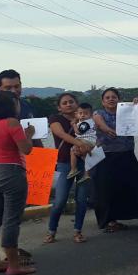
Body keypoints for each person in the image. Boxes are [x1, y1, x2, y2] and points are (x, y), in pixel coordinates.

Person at [0, 90, 36, 275]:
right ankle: (13, 265)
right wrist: (29, 134)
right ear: (12, 105)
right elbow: (26, 149)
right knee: (11, 219)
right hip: (11, 172)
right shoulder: (12, 123)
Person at [92, 88, 138, 232]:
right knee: (106, 189)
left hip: (126, 154)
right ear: (102, 101)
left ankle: (137, 213)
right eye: (107, 97)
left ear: (119, 99)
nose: (111, 99)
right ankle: (109, 221)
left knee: (134, 186)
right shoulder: (99, 113)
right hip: (106, 156)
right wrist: (105, 128)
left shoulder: (127, 112)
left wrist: (135, 106)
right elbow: (98, 121)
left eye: (114, 97)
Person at [43, 93, 95, 244]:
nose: (68, 104)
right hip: (65, 163)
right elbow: (60, 134)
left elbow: (95, 135)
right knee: (59, 200)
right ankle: (51, 231)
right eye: (64, 103)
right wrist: (80, 144)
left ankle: (77, 231)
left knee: (81, 199)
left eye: (71, 102)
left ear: (77, 103)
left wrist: (88, 146)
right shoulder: (55, 119)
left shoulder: (85, 118)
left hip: (85, 162)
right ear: (59, 107)